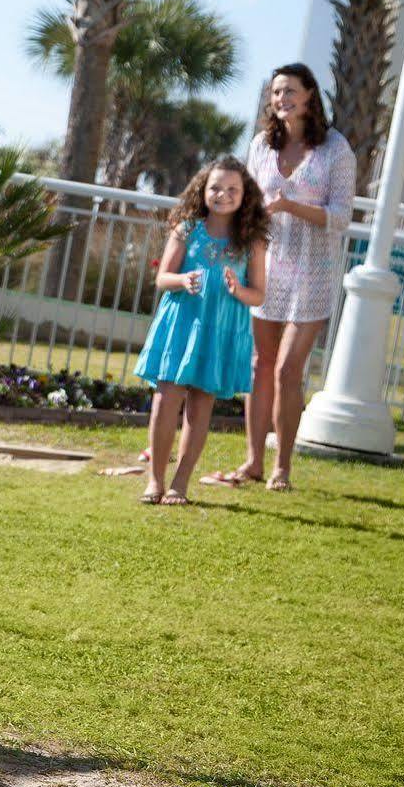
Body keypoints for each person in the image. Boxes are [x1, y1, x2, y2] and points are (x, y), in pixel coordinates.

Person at [202, 64, 355, 492]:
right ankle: (253, 462)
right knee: (259, 366)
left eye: (289, 90)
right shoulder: (260, 145)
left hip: (313, 273)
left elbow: (342, 217)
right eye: (274, 92)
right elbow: (246, 200)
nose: (280, 98)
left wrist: (291, 206)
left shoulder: (335, 149)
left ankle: (282, 466)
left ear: (309, 95)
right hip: (267, 266)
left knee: (289, 370)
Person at [135, 157, 269, 505]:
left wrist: (238, 289)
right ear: (202, 189)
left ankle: (180, 483)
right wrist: (183, 280)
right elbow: (162, 278)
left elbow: (259, 293)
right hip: (181, 324)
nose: (223, 194)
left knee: (199, 408)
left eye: (232, 189)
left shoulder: (251, 240)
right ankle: (155, 481)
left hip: (220, 330)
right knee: (165, 401)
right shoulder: (187, 228)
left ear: (245, 195)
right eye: (215, 188)